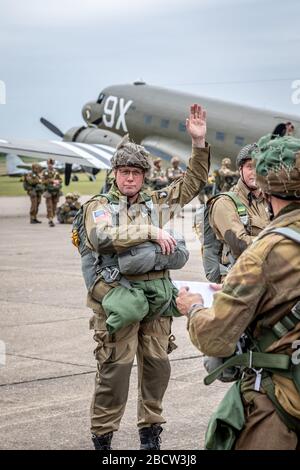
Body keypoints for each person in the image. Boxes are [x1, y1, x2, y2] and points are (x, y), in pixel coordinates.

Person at [79, 104, 210, 450]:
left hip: (155, 302)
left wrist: (198, 144)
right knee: (114, 373)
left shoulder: (155, 202)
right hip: (119, 301)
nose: (130, 178)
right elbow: (101, 237)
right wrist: (149, 231)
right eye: (124, 172)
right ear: (115, 173)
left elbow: (191, 184)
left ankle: (150, 435)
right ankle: (103, 438)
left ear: (144, 176)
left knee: (156, 370)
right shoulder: (99, 206)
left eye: (136, 173)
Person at [176, 133, 300, 450]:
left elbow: (213, 336)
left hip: (282, 401)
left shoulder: (265, 251)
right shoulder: (227, 204)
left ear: (266, 185)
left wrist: (193, 308)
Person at [203, 143, 270, 282]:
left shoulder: (269, 200)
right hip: (239, 281)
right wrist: (281, 245)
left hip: (267, 276)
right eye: (250, 167)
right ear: (240, 170)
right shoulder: (225, 203)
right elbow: (240, 244)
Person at [41, 158, 63, 227]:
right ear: (47, 164)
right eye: (49, 164)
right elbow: (42, 181)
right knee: (49, 206)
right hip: (48, 191)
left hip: (56, 191)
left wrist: (58, 181)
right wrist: (51, 180)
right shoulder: (45, 172)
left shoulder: (56, 172)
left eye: (51, 164)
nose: (50, 165)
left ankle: (52, 217)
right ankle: (50, 219)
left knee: (54, 206)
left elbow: (60, 180)